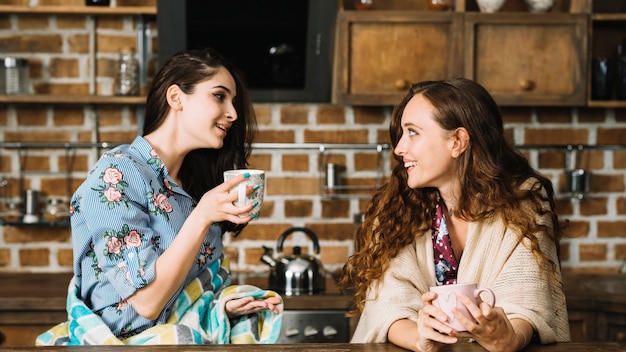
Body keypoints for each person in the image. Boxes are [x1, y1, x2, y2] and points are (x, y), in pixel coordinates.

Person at [36, 47, 282, 345]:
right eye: (220, 96)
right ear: (176, 97)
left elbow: (184, 299)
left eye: (233, 101)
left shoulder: (191, 190)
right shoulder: (116, 175)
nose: (233, 113)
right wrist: (202, 215)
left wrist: (221, 308)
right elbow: (148, 303)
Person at [340, 78, 570, 352]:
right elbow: (388, 306)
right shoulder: (397, 207)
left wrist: (506, 338)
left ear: (457, 142)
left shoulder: (523, 200)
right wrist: (420, 336)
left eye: (412, 132)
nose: (399, 148)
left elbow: (527, 300)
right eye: (402, 133)